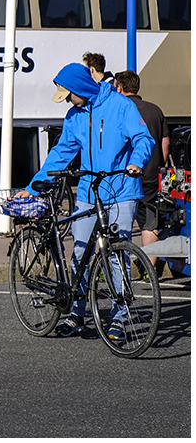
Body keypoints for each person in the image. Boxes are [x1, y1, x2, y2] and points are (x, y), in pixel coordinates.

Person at [14, 63, 153, 340]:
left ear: (81, 88)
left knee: (117, 256)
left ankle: (119, 318)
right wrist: (32, 187)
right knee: (79, 254)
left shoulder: (120, 106)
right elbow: (60, 153)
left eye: (68, 94)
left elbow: (143, 139)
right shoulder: (74, 115)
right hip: (89, 193)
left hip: (121, 190)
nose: (66, 99)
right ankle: (76, 313)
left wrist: (137, 162)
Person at [114, 70, 171, 257]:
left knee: (120, 222)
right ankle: (150, 270)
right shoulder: (155, 110)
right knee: (149, 222)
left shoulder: (118, 109)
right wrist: (158, 165)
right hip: (151, 175)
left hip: (124, 175)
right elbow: (165, 143)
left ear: (120, 87)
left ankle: (116, 269)